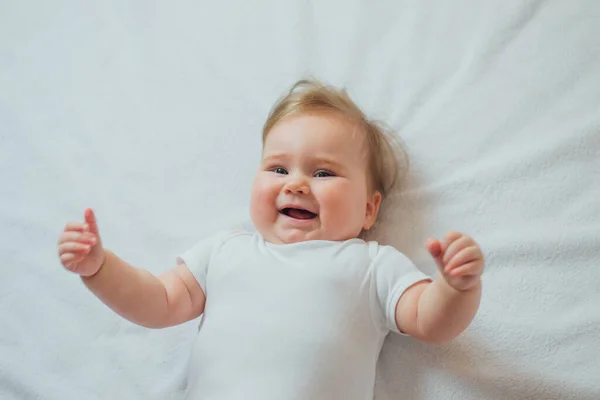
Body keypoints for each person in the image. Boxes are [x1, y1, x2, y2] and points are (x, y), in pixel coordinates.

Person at [57, 79, 484, 399]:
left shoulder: (373, 265)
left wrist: (455, 287)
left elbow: (431, 321)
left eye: (323, 173)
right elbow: (159, 304)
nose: (295, 184)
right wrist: (101, 268)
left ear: (369, 210)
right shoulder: (224, 251)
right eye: (278, 169)